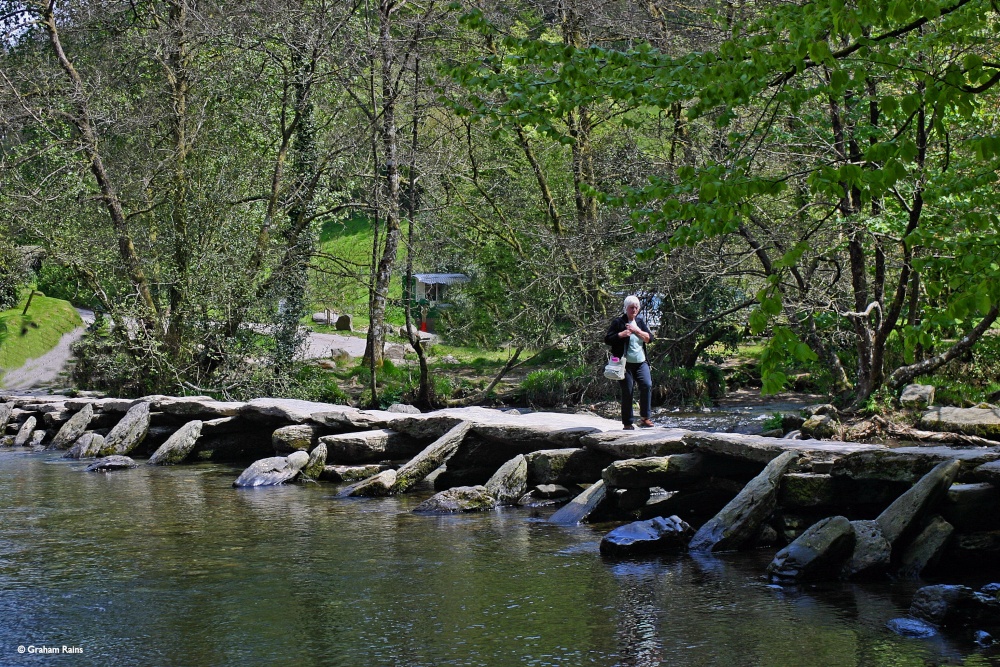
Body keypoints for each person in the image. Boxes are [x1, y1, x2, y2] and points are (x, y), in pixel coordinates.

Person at [605, 295, 654, 430]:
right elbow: (608, 339)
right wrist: (621, 335)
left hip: (641, 362)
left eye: (636, 307)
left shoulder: (640, 322)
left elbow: (650, 339)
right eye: (631, 307)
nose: (634, 310)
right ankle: (628, 423)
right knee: (628, 390)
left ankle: (645, 418)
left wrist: (637, 331)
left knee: (647, 385)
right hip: (623, 364)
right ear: (626, 308)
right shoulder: (618, 322)